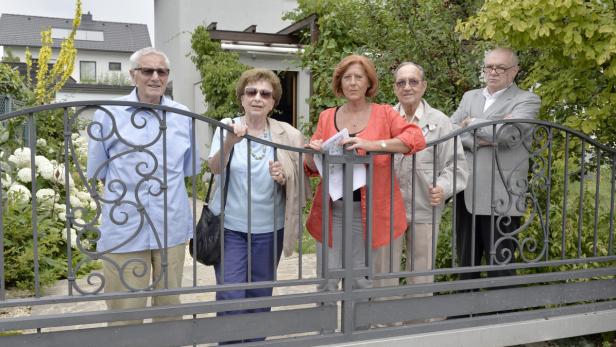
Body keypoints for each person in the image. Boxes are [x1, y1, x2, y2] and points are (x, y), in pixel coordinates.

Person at [87, 47, 199, 325]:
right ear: (132, 75)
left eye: (161, 71)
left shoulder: (183, 116)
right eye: (147, 70)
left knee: (169, 308)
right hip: (125, 226)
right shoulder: (108, 113)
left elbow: (188, 170)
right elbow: (99, 170)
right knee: (125, 311)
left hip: (169, 226)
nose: (155, 77)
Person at [304, 54, 426, 292]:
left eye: (358, 77)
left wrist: (373, 145)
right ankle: (326, 331)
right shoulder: (327, 116)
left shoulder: (385, 113)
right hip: (332, 211)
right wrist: (313, 152)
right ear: (339, 84)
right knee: (327, 280)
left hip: (368, 211)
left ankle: (358, 329)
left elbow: (416, 138)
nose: (352, 82)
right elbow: (311, 168)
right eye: (346, 78)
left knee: (360, 281)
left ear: (369, 82)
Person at [207, 68, 308, 344]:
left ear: (273, 102)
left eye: (265, 94)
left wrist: (284, 176)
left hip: (269, 230)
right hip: (230, 228)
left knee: (260, 296)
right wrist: (230, 141)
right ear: (241, 97)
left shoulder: (285, 133)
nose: (257, 98)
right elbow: (214, 167)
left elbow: (301, 175)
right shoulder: (227, 125)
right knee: (230, 294)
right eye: (251, 92)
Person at [450, 47, 541, 280]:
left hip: (503, 194)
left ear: (515, 71)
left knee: (501, 264)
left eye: (501, 67)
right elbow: (450, 130)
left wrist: (470, 122)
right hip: (467, 191)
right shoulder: (470, 97)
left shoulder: (527, 99)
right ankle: (464, 314)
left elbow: (508, 134)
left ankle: (501, 315)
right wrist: (485, 132)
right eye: (489, 66)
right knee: (465, 264)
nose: (493, 72)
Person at [391, 62, 468, 290]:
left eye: (413, 81)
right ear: (395, 88)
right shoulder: (385, 118)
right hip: (388, 208)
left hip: (425, 204)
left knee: (422, 273)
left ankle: (418, 322)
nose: (407, 87)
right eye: (401, 82)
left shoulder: (440, 121)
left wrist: (443, 187)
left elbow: (457, 165)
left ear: (423, 86)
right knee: (384, 271)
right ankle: (383, 323)